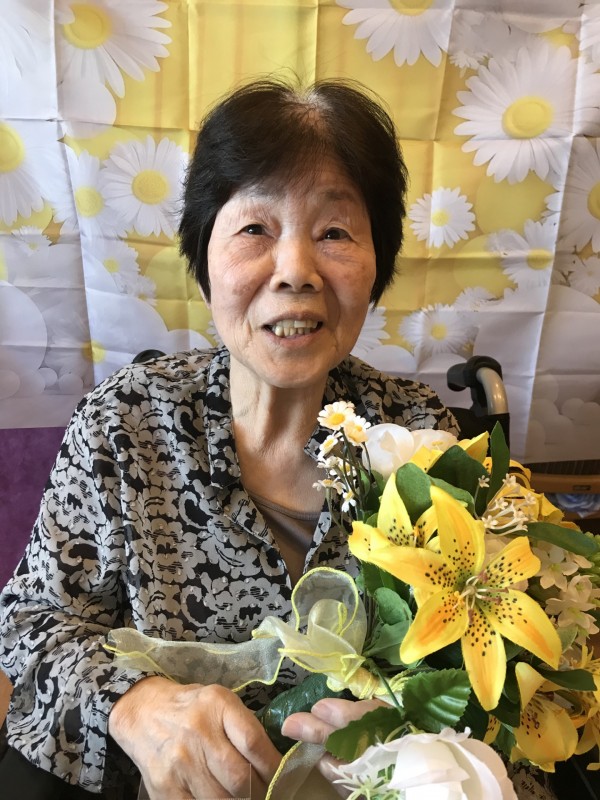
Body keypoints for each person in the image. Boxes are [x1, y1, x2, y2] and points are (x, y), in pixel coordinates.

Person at [0, 77, 458, 799]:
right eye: (255, 230)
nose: (296, 272)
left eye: (335, 232)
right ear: (204, 257)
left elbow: (477, 670)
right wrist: (133, 703)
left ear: (378, 263)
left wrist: (415, 731)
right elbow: (31, 624)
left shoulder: (419, 435)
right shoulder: (126, 424)